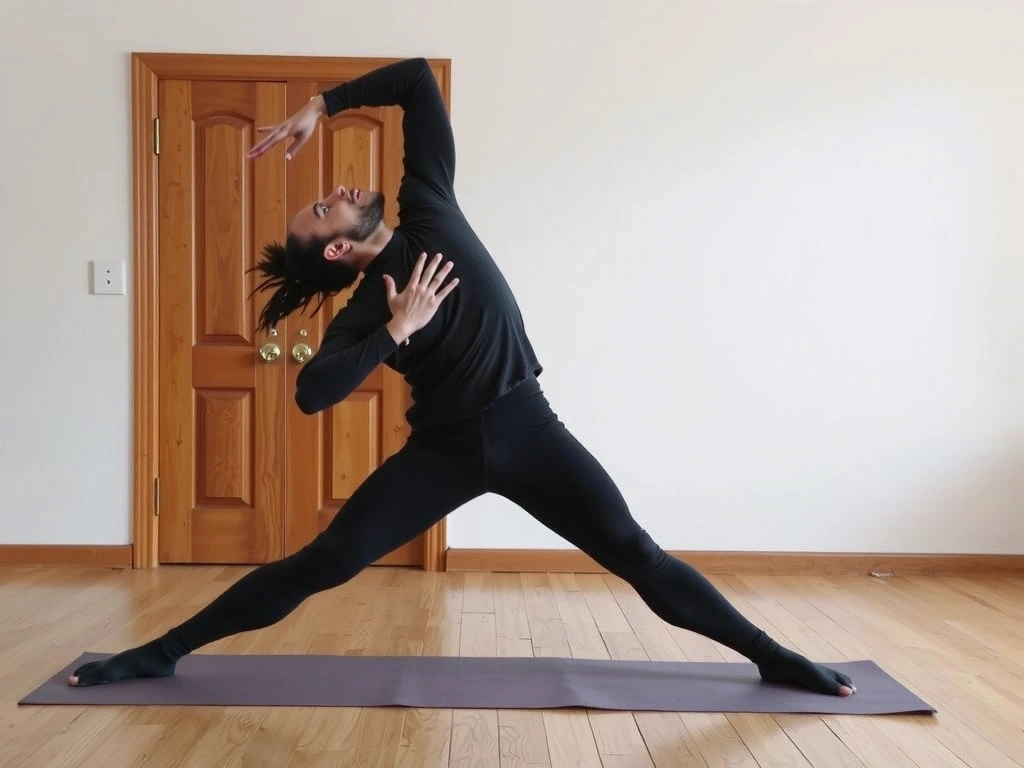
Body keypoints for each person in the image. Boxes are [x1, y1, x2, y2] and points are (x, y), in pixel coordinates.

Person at [69, 57, 855, 697]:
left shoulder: (429, 208)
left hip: (528, 429)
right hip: (443, 453)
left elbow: (414, 79)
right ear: (338, 251)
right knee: (323, 564)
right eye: (324, 208)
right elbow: (315, 394)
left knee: (635, 553)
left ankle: (772, 656)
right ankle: (162, 651)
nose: (338, 189)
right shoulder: (364, 312)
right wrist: (395, 330)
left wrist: (322, 104)